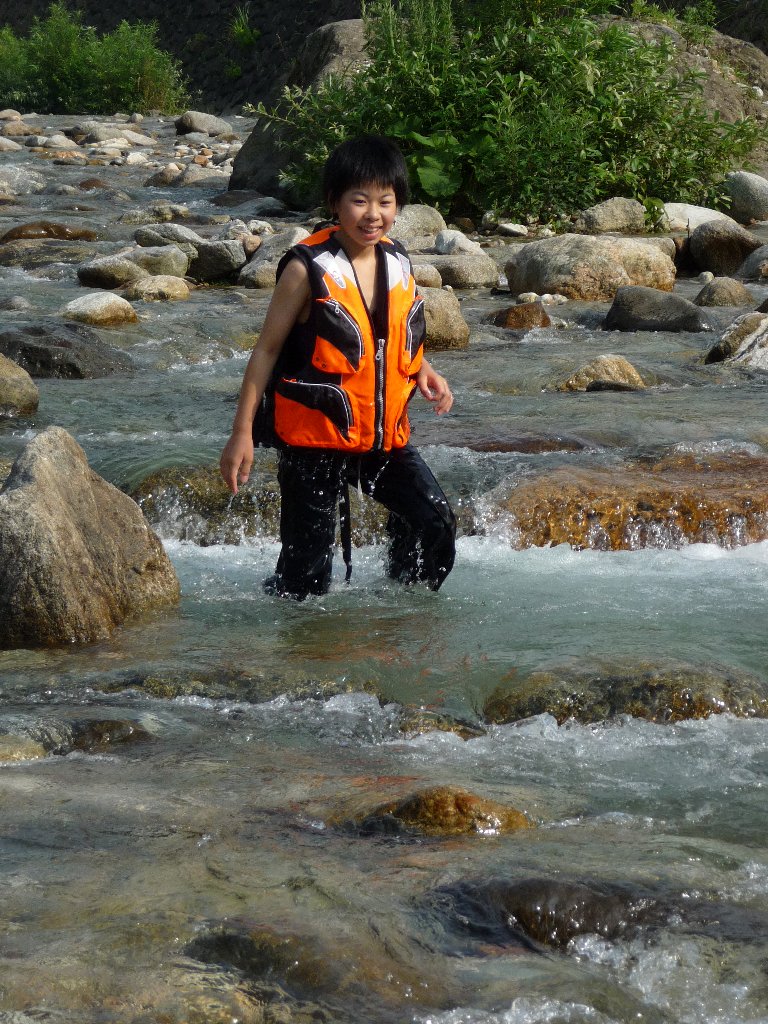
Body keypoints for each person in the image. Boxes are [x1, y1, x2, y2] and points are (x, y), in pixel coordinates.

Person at [219, 134, 456, 599]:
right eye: (359, 201)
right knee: (306, 581)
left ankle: (401, 613)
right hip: (313, 443)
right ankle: (288, 635)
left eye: (385, 202)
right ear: (335, 202)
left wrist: (424, 369)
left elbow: (386, 335)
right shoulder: (306, 268)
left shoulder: (398, 259)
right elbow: (266, 351)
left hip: (379, 440)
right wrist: (241, 432)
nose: (373, 214)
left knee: (435, 525)